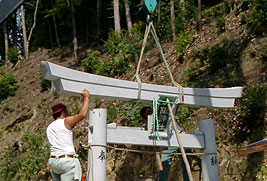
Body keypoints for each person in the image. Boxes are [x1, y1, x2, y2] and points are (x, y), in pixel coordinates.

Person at [46, 89, 90, 181]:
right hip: (66, 162)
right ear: (63, 113)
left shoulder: (49, 127)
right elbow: (82, 115)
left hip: (54, 162)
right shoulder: (65, 122)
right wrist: (86, 97)